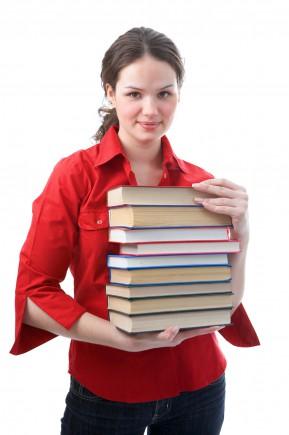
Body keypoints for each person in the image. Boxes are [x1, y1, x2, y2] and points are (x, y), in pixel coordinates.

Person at [10, 26, 260, 435]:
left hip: (199, 386)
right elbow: (35, 296)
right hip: (107, 391)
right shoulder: (74, 176)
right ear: (110, 92)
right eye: (134, 94)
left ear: (179, 93)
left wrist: (243, 235)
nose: (151, 109)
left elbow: (223, 305)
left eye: (165, 93)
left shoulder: (202, 184)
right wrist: (118, 337)